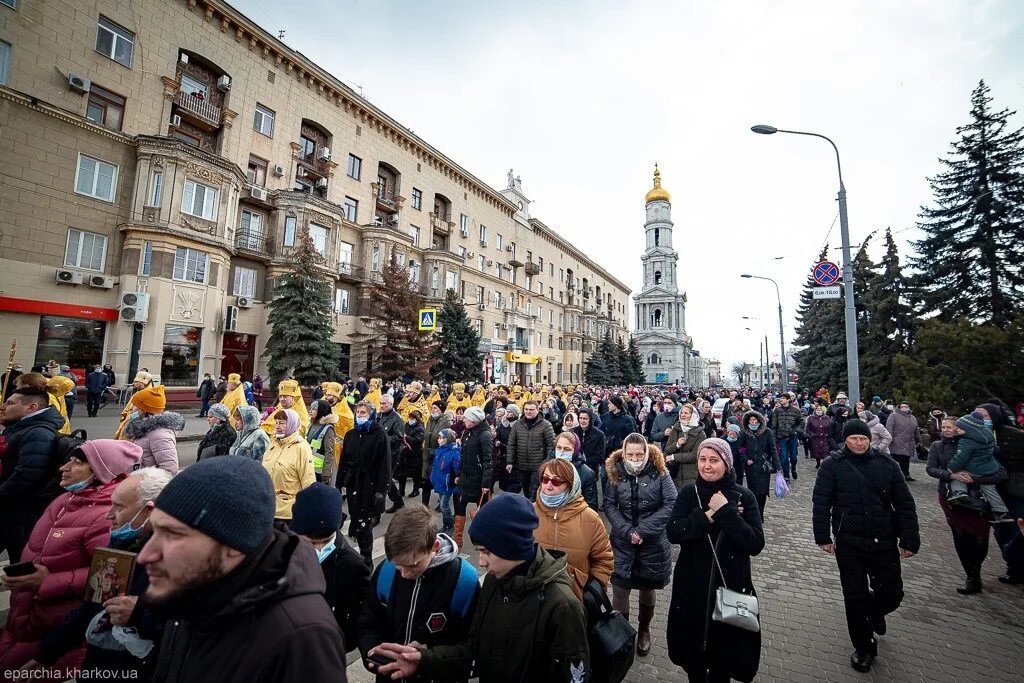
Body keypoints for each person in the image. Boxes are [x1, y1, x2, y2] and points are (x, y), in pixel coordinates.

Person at [136, 456, 347, 680]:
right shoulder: (193, 588)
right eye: (155, 531)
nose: (146, 555)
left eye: (173, 535)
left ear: (233, 546)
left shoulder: (302, 638)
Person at [371, 494, 589, 683]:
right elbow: (474, 650)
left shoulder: (563, 606)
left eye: (486, 552)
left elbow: (574, 674)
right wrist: (423, 659)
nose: (482, 562)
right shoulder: (495, 582)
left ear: (512, 548)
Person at [0, 439, 141, 673]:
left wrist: (47, 583)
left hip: (60, 633)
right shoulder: (66, 500)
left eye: (76, 463)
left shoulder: (106, 515)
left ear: (98, 470)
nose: (63, 468)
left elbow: (109, 582)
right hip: (27, 620)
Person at [25, 467, 172, 679]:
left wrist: (141, 615)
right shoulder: (118, 545)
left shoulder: (179, 559)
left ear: (150, 510)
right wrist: (47, 653)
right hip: (99, 666)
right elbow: (92, 605)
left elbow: (194, 628)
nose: (108, 515)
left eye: (119, 507)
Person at [812, 418, 920, 673]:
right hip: (849, 541)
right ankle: (864, 646)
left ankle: (875, 610)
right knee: (854, 596)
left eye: (863, 439)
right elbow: (821, 503)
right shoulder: (832, 466)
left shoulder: (887, 465)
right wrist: (823, 536)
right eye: (853, 439)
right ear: (846, 440)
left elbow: (905, 503)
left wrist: (909, 539)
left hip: (883, 539)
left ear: (870, 440)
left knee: (892, 593)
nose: (859, 443)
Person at [666, 438, 764, 683]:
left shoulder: (744, 496)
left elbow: (754, 544)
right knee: (694, 657)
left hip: (729, 584)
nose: (707, 466)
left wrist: (727, 512)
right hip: (691, 585)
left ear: (727, 463)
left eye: (714, 460)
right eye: (702, 459)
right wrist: (708, 515)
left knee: (723, 658)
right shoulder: (690, 492)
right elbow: (674, 532)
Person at [359, 504, 479, 682]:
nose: (404, 574)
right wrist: (374, 651)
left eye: (412, 565)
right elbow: (368, 620)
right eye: (398, 566)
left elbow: (474, 648)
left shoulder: (463, 580)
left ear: (435, 546)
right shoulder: (386, 571)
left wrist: (426, 657)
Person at [604, 432, 677, 657]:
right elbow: (609, 503)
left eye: (639, 454)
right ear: (623, 453)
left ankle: (644, 629)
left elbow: (671, 501)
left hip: (652, 542)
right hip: (622, 542)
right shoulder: (616, 472)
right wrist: (627, 531)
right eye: (630, 454)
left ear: (646, 453)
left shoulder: (660, 472)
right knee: (620, 589)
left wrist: (644, 530)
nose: (634, 458)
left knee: (647, 588)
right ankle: (622, 634)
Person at [926, 416, 1006, 594]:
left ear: (960, 429)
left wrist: (976, 478)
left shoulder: (979, 445)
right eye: (944, 427)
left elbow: (1000, 473)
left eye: (950, 427)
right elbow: (931, 469)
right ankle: (971, 576)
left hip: (978, 499)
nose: (946, 430)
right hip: (951, 498)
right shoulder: (938, 446)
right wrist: (951, 476)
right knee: (960, 536)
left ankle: (975, 571)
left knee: (980, 537)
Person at [289, 483, 369, 651]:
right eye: (310, 543)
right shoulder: (283, 550)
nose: (318, 549)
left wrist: (337, 644)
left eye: (325, 542)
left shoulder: (354, 566)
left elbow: (359, 618)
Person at [0, 387, 66, 562]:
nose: (3, 406)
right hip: (11, 508)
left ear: (31, 407)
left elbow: (27, 474)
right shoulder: (20, 428)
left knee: (20, 563)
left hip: (21, 512)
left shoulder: (38, 432)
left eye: (10, 403)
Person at [534, 458, 613, 600]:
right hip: (533, 599)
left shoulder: (591, 519)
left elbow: (604, 560)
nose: (548, 486)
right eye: (545, 479)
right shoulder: (528, 512)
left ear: (571, 485)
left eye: (556, 481)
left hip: (573, 600)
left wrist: (593, 592)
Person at [341, 401, 392, 563]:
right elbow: (343, 461)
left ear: (371, 414)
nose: (360, 415)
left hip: (370, 484)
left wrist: (381, 491)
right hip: (353, 483)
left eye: (363, 412)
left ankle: (367, 556)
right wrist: (340, 483)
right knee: (355, 515)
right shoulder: (351, 434)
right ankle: (360, 552)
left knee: (365, 521)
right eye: (358, 412)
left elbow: (385, 465)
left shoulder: (379, 435)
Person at [947, 411, 1013, 523]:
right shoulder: (987, 435)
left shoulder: (966, 441)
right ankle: (1001, 512)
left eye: (960, 428)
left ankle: (959, 492)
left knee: (958, 475)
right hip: (989, 468)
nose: (957, 429)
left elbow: (961, 458)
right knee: (989, 488)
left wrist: (950, 469)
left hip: (975, 469)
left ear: (968, 429)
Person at [262, 408, 316, 526]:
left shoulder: (301, 447)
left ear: (292, 424)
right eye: (276, 423)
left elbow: (308, 481)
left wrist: (307, 510)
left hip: (288, 514)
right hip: (268, 509)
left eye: (282, 423)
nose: (277, 426)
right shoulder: (273, 444)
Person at [453, 406, 492, 547]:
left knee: (484, 512)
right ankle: (457, 540)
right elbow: (463, 455)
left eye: (467, 418)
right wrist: (458, 474)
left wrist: (486, 484)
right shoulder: (467, 432)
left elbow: (488, 460)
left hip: (479, 479)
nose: (464, 420)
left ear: (474, 420)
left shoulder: (485, 435)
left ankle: (485, 539)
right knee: (459, 506)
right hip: (465, 477)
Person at [122, 385, 183, 475]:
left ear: (145, 410)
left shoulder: (160, 435)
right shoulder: (141, 428)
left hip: (145, 485)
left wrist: (144, 484)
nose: (131, 409)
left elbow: (169, 469)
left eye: (135, 406)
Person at [508, 399, 556, 500]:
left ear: (537, 410)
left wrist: (547, 462)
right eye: (526, 409)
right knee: (525, 490)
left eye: (531, 409)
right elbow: (511, 444)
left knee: (534, 492)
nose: (528, 412)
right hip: (522, 465)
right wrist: (510, 461)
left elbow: (551, 445)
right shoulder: (518, 425)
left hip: (538, 465)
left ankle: (534, 512)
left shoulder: (546, 425)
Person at [737, 411, 779, 518]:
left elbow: (773, 449)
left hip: (763, 466)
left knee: (763, 491)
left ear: (759, 420)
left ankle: (761, 512)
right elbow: (740, 448)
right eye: (751, 420)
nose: (753, 422)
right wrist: (746, 459)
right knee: (753, 491)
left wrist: (778, 466)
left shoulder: (767, 432)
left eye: (755, 420)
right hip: (751, 466)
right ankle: (755, 513)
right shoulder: (745, 433)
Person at [550, 431, 599, 510]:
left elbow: (591, 506)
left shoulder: (587, 474)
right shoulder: (546, 467)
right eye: (559, 448)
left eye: (567, 449)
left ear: (575, 451)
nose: (561, 452)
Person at [664, 402, 707, 489]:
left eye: (686, 413)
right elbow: (667, 450)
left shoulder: (700, 433)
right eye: (682, 413)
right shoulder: (676, 429)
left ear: (693, 415)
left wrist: (673, 457)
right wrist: (677, 444)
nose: (683, 415)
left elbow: (694, 455)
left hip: (691, 476)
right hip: (674, 474)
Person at [378, 393, 407, 514]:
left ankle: (398, 502)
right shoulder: (382, 416)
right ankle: (398, 502)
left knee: (386, 478)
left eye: (384, 403)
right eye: (380, 403)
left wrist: (382, 439)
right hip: (383, 452)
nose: (382, 405)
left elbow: (398, 437)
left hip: (392, 453)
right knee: (385, 478)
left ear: (391, 404)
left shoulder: (396, 419)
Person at [421, 400, 452, 507]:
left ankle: (442, 503)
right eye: (432, 407)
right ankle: (424, 504)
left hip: (439, 454)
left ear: (441, 409)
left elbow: (447, 439)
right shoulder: (430, 420)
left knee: (439, 479)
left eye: (435, 408)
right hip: (427, 454)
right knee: (426, 480)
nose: (433, 410)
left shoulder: (446, 421)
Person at [431, 428, 462, 534]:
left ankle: (449, 525)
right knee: (443, 505)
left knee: (444, 505)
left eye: (441, 438)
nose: (438, 440)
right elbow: (435, 467)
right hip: (440, 482)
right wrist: (432, 477)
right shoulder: (439, 450)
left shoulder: (454, 452)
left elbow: (457, 469)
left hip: (448, 483)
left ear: (447, 439)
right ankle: (446, 524)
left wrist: (457, 478)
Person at [770, 393, 805, 482]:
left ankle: (793, 468)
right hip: (781, 437)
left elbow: (802, 422)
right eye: (780, 398)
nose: (781, 400)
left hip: (792, 437)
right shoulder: (777, 411)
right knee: (784, 458)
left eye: (783, 398)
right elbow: (774, 426)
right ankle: (786, 475)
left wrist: (796, 431)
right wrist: (774, 438)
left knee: (793, 457)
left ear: (788, 399)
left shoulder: (795, 410)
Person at [885, 400, 920, 481]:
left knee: (906, 459)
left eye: (906, 407)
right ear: (899, 407)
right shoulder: (893, 416)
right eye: (902, 407)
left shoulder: (912, 417)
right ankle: (896, 475)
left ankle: (906, 474)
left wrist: (918, 439)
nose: (904, 408)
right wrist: (890, 439)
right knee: (897, 459)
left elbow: (916, 429)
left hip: (909, 442)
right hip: (896, 442)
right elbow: (889, 428)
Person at [114, 371, 154, 440]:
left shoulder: (146, 394)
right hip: (131, 422)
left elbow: (144, 411)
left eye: (136, 382)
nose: (133, 383)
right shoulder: (139, 392)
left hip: (137, 425)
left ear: (142, 383)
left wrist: (133, 416)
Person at [307, 399, 338, 486]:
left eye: (314, 409)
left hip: (319, 473)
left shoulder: (328, 428)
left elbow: (330, 452)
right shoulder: (311, 425)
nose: (310, 411)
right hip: (308, 469)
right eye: (311, 408)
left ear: (321, 410)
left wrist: (326, 474)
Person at [399, 409, 425, 499]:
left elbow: (418, 440)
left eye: (413, 418)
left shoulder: (420, 428)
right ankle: (401, 490)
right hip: (405, 453)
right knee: (402, 474)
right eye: (410, 417)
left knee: (415, 474)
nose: (411, 420)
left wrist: (407, 437)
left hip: (415, 454)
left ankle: (416, 490)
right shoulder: (406, 425)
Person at [806, 404, 833, 468]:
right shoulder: (811, 418)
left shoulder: (827, 418)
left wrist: (828, 434)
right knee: (817, 451)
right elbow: (808, 428)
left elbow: (830, 427)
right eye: (817, 410)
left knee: (825, 451)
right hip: (815, 438)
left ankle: (825, 464)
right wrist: (811, 434)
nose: (819, 411)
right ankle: (818, 462)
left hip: (824, 437)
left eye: (820, 410)